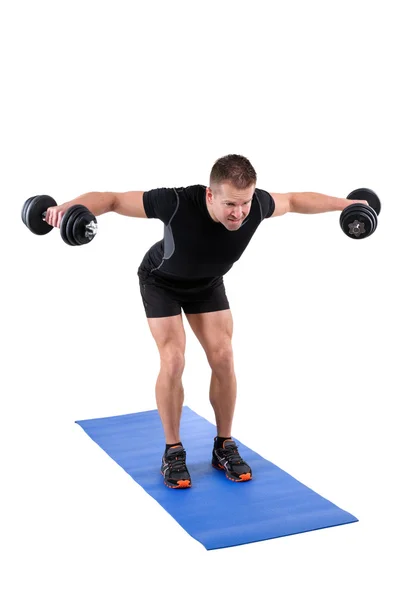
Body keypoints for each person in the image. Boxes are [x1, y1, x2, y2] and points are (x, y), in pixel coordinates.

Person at [45, 154, 367, 489]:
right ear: (210, 195)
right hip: (161, 282)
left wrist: (347, 204)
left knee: (224, 358)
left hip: (208, 283)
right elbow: (112, 200)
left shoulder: (257, 204)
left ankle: (223, 445)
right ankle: (173, 449)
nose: (238, 213)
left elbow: (296, 200)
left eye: (244, 203)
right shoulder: (176, 202)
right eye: (230, 203)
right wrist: (69, 207)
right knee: (173, 360)